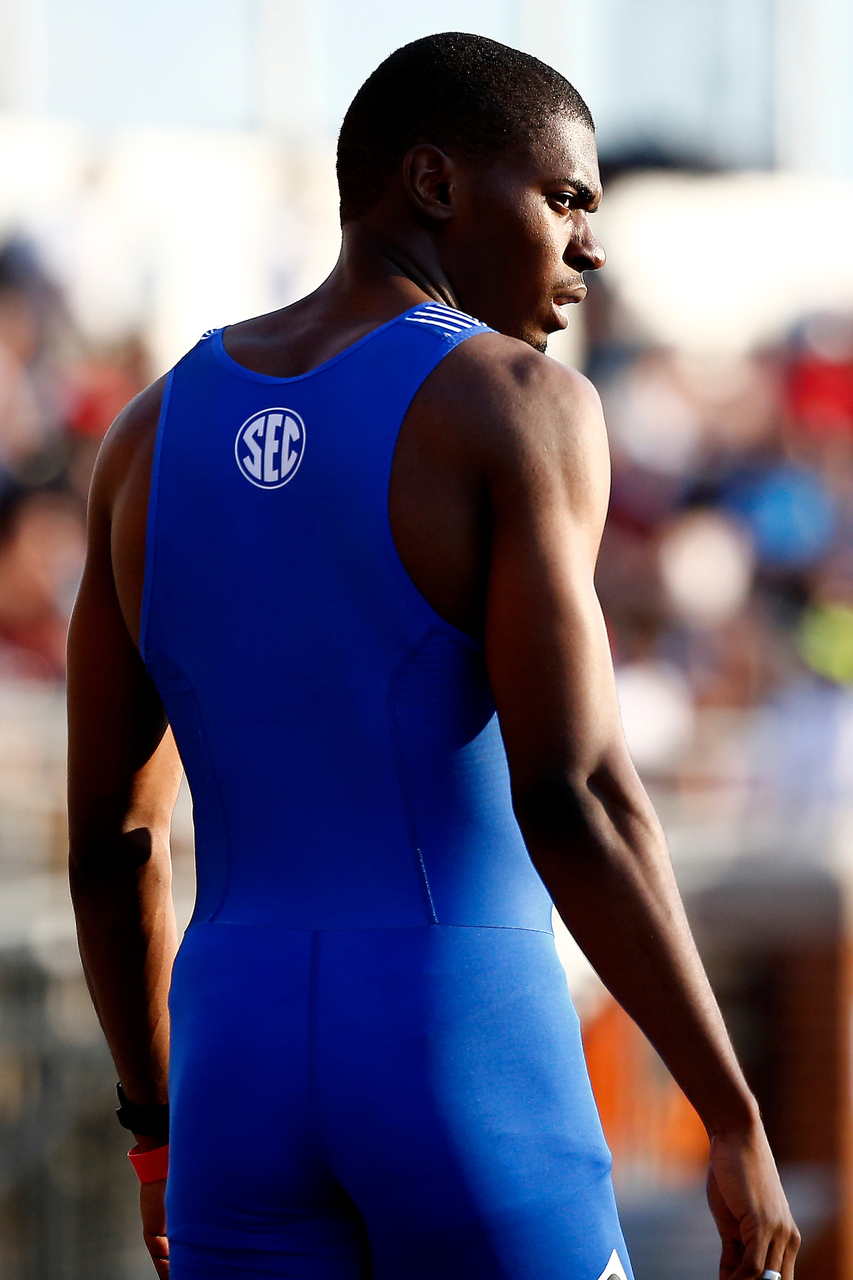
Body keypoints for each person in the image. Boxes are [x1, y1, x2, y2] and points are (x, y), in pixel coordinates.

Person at [67, 31, 799, 1280]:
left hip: (233, 1077)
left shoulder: (148, 434)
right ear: (434, 183)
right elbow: (576, 796)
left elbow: (110, 841)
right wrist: (729, 1112)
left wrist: (156, 1136)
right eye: (565, 197)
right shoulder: (514, 404)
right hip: (460, 1052)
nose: (591, 248)